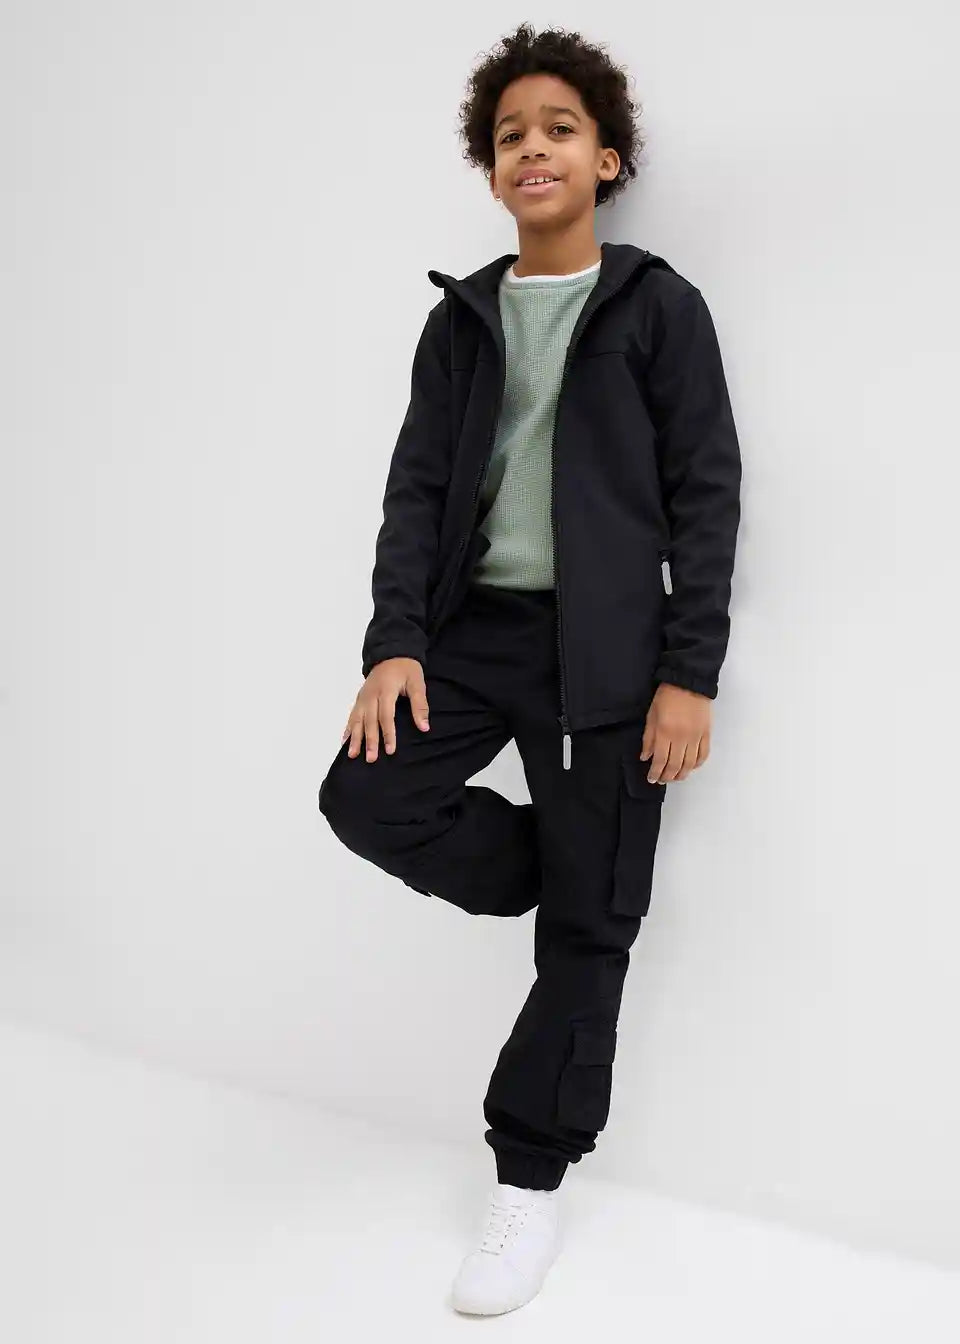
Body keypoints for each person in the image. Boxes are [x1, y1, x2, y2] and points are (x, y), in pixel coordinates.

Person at [317, 21, 742, 1317]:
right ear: (491, 168)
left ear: (607, 159)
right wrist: (396, 643)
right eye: (511, 136)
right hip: (474, 635)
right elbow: (415, 488)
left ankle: (528, 1182)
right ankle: (559, 873)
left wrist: (690, 672)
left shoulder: (657, 306)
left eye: (561, 128)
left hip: (609, 650)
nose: (534, 149)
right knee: (366, 794)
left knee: (591, 936)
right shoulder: (461, 319)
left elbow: (707, 494)